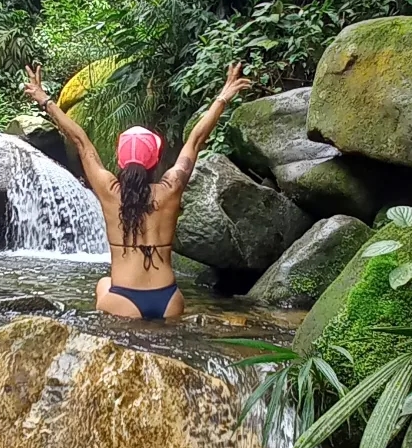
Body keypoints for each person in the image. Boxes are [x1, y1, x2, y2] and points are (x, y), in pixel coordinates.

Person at [22, 62, 252, 320]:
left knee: (103, 284)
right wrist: (224, 95)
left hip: (123, 299)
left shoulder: (110, 191)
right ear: (155, 160)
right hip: (169, 299)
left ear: (120, 161)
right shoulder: (170, 188)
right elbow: (195, 141)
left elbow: (81, 142)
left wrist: (44, 99)